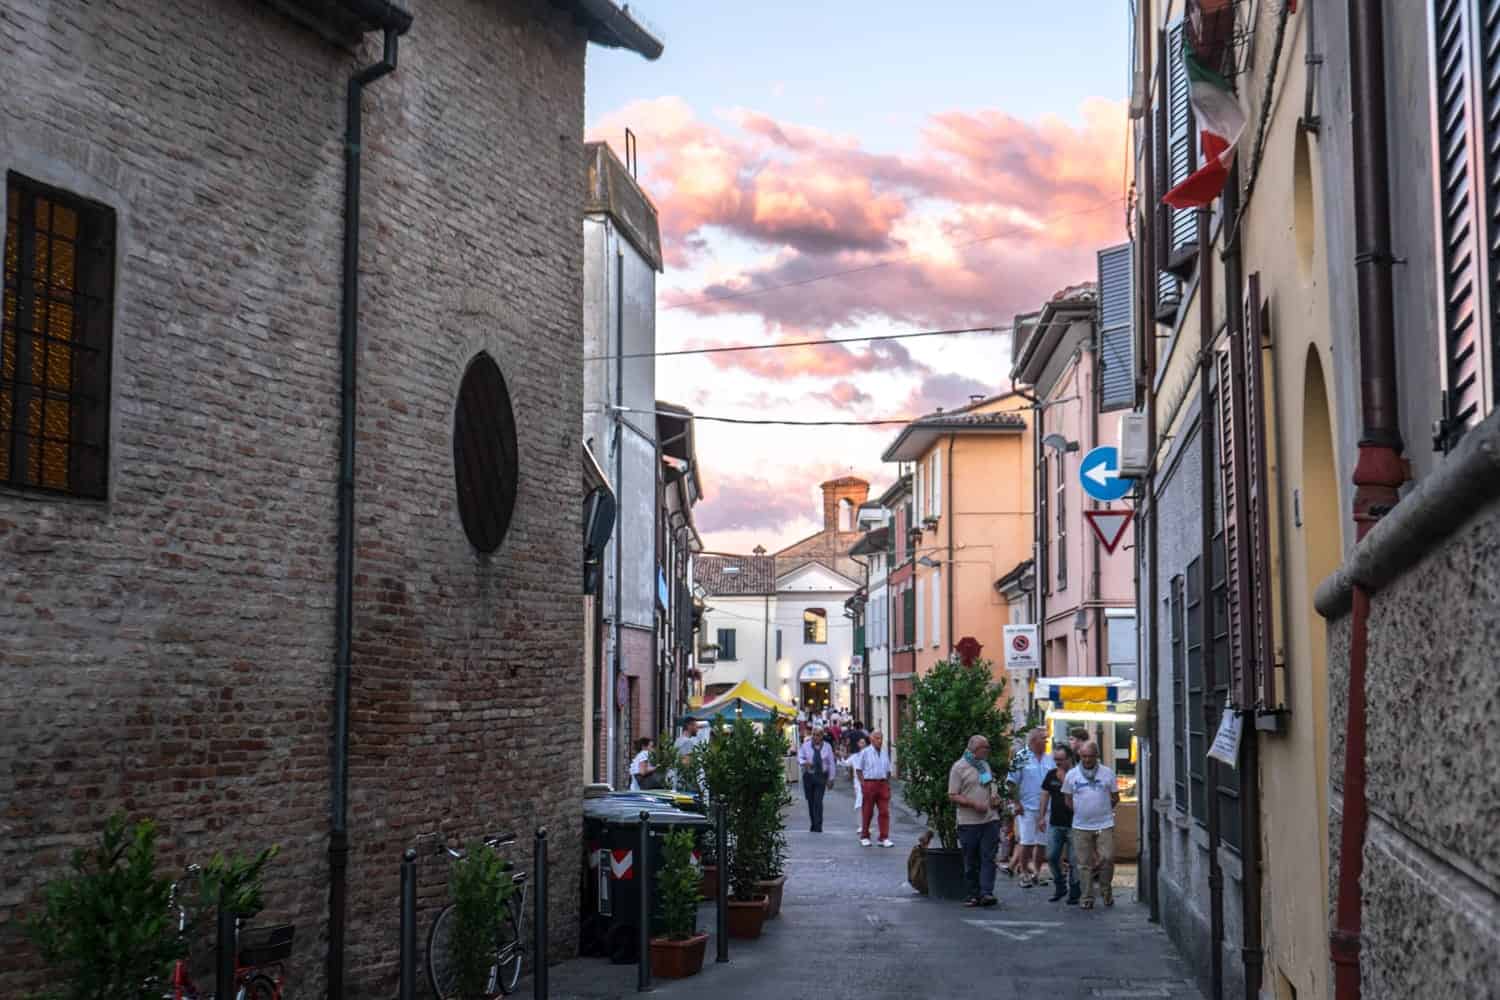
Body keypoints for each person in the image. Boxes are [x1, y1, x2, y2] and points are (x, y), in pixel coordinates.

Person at [1064, 741, 1121, 910]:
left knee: (1108, 858)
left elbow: (1115, 797)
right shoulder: (1072, 775)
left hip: (1104, 824)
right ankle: (1087, 896)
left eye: (1090, 756)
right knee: (1083, 863)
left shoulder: (1107, 773)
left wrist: (1103, 811)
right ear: (1079, 756)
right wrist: (1080, 811)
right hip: (1081, 826)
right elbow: (1067, 798)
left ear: (1097, 756)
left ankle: (1105, 889)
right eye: (1083, 756)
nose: (1087, 759)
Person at [948, 734, 1002, 908]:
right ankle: (973, 894)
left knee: (988, 857)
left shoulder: (984, 765)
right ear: (974, 749)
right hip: (968, 822)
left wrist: (995, 797)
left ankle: (987, 893)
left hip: (990, 819)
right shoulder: (959, 768)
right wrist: (973, 804)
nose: (987, 751)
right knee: (971, 860)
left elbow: (990, 785)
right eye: (984, 748)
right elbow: (952, 795)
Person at [1008, 728, 1051, 887]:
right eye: (1043, 739)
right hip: (1027, 807)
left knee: (1042, 843)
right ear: (1033, 741)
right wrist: (1016, 803)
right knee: (1026, 842)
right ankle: (1024, 872)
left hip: (1046, 808)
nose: (1046, 742)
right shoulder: (1021, 757)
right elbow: (1011, 782)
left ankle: (1037, 872)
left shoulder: (1049, 759)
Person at [1040, 744, 1081, 904]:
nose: (1057, 763)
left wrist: (1065, 780)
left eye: (1061, 760)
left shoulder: (1078, 775)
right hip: (1055, 823)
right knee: (1051, 856)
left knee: (1073, 860)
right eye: (1055, 759)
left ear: (1069, 758)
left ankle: (1075, 891)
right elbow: (1044, 795)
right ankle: (1060, 885)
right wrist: (1041, 817)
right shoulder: (1051, 775)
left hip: (1074, 824)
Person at [854, 730, 894, 847]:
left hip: (882, 784)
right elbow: (858, 769)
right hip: (869, 783)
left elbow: (888, 770)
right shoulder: (865, 752)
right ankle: (865, 836)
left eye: (881, 738)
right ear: (871, 739)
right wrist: (863, 784)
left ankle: (883, 837)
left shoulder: (884, 753)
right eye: (877, 738)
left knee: (884, 811)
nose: (879, 741)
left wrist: (887, 785)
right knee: (867, 811)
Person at [798, 727, 836, 833]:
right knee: (810, 801)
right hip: (808, 776)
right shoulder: (805, 746)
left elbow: (831, 763)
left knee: (818, 801)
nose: (815, 737)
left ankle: (818, 825)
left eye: (818, 735)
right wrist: (804, 762)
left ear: (822, 736)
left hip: (821, 776)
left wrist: (831, 779)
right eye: (814, 735)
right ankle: (813, 823)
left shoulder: (827, 747)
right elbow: (799, 757)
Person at [847, 735, 869, 814]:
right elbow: (846, 763)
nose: (862, 744)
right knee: (860, 798)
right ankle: (861, 822)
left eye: (863, 743)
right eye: (860, 743)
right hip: (857, 781)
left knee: (863, 800)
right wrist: (840, 757)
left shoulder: (870, 756)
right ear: (858, 744)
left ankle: (865, 822)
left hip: (868, 781)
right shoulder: (855, 756)